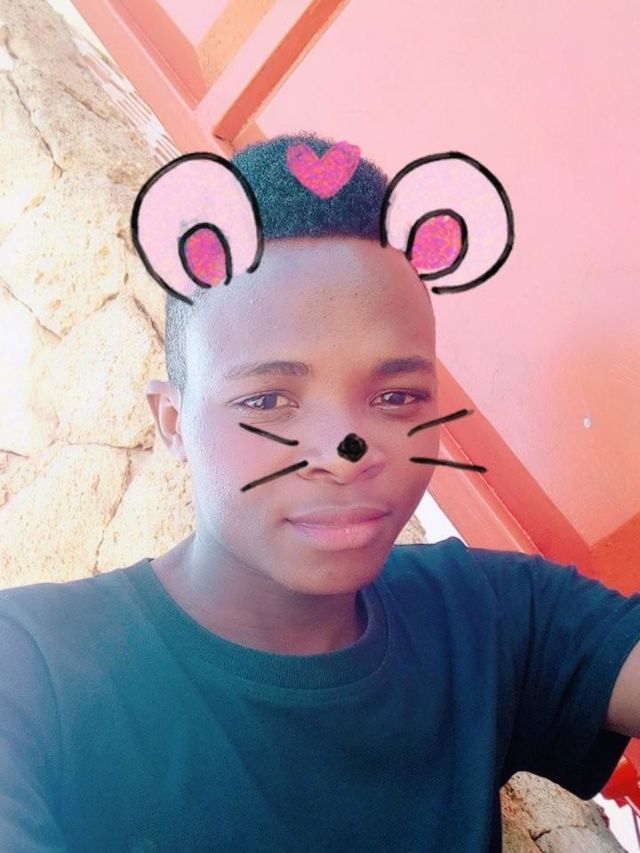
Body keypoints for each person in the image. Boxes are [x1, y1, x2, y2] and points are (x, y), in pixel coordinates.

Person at [1, 132, 639, 852]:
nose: (346, 453)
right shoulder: (32, 671)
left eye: (396, 396)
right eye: (270, 401)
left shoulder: (490, 616)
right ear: (173, 422)